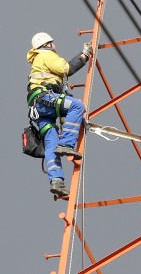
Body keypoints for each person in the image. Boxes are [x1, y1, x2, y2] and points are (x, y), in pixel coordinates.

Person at [26, 32, 94, 198]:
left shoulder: (38, 60)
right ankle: (67, 144)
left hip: (39, 108)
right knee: (77, 106)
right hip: (44, 99)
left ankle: (56, 181)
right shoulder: (46, 54)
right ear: (48, 44)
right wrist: (85, 55)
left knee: (51, 142)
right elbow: (66, 69)